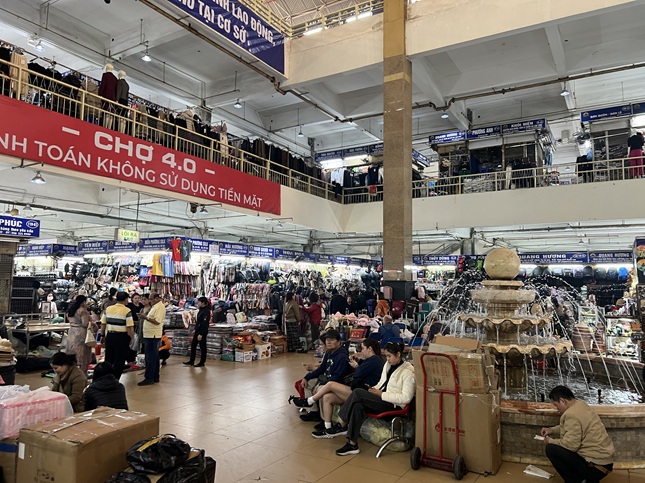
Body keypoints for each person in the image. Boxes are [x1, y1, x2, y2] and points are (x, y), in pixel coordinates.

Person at [333, 342, 415, 455]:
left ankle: (342, 423)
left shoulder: (408, 372)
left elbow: (406, 398)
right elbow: (381, 383)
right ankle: (352, 444)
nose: (387, 359)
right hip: (383, 399)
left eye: (389, 356)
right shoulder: (388, 365)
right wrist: (373, 390)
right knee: (357, 404)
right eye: (386, 356)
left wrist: (381, 394)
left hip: (394, 405)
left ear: (398, 354)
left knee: (357, 392)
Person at [293, 338, 384, 438]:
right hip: (357, 390)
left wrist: (356, 365)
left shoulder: (375, 360)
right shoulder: (370, 360)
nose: (361, 351)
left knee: (330, 384)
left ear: (369, 349)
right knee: (327, 397)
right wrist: (359, 361)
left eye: (363, 348)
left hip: (363, 393)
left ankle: (309, 401)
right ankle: (327, 428)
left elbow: (358, 373)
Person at [541, 385, 614, 483]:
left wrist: (550, 441)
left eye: (556, 405)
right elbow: (569, 427)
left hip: (595, 467)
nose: (557, 408)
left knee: (551, 449)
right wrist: (551, 430)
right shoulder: (581, 405)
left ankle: (579, 481)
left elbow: (571, 445)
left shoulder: (571, 414)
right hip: (606, 463)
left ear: (562, 401)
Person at [293, 329, 351, 422]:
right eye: (327, 340)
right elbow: (321, 369)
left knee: (321, 390)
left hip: (338, 383)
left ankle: (323, 419)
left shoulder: (342, 356)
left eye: (332, 340)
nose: (328, 342)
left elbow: (338, 377)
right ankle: (313, 412)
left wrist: (322, 384)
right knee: (308, 383)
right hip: (327, 379)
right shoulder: (329, 352)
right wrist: (307, 377)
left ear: (338, 341)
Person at [100, 292, 134, 381]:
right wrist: (132, 337)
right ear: (125, 299)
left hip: (110, 336)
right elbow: (129, 327)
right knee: (119, 359)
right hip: (121, 337)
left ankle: (106, 378)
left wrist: (102, 335)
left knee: (108, 358)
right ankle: (115, 380)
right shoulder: (127, 310)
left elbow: (103, 324)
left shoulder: (108, 309)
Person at [137, 293, 166, 386]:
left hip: (153, 335)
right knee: (154, 357)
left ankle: (149, 378)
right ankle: (155, 376)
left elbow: (157, 321)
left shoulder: (160, 307)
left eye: (151, 299)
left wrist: (145, 317)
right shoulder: (155, 306)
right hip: (149, 334)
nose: (150, 301)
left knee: (150, 357)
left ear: (157, 298)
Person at [66, 295, 97, 374]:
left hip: (72, 332)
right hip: (81, 333)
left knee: (72, 353)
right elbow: (85, 323)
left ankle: (72, 374)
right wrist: (93, 324)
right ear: (83, 302)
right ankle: (83, 374)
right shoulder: (83, 311)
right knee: (83, 354)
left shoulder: (71, 310)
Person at [184, 297, 210, 367]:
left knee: (202, 347)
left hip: (202, 331)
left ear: (203, 303)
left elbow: (205, 324)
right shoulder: (201, 310)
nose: (198, 303)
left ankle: (202, 362)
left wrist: (201, 334)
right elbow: (198, 322)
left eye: (199, 302)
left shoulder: (206, 311)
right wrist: (195, 329)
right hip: (198, 330)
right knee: (193, 345)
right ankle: (191, 361)